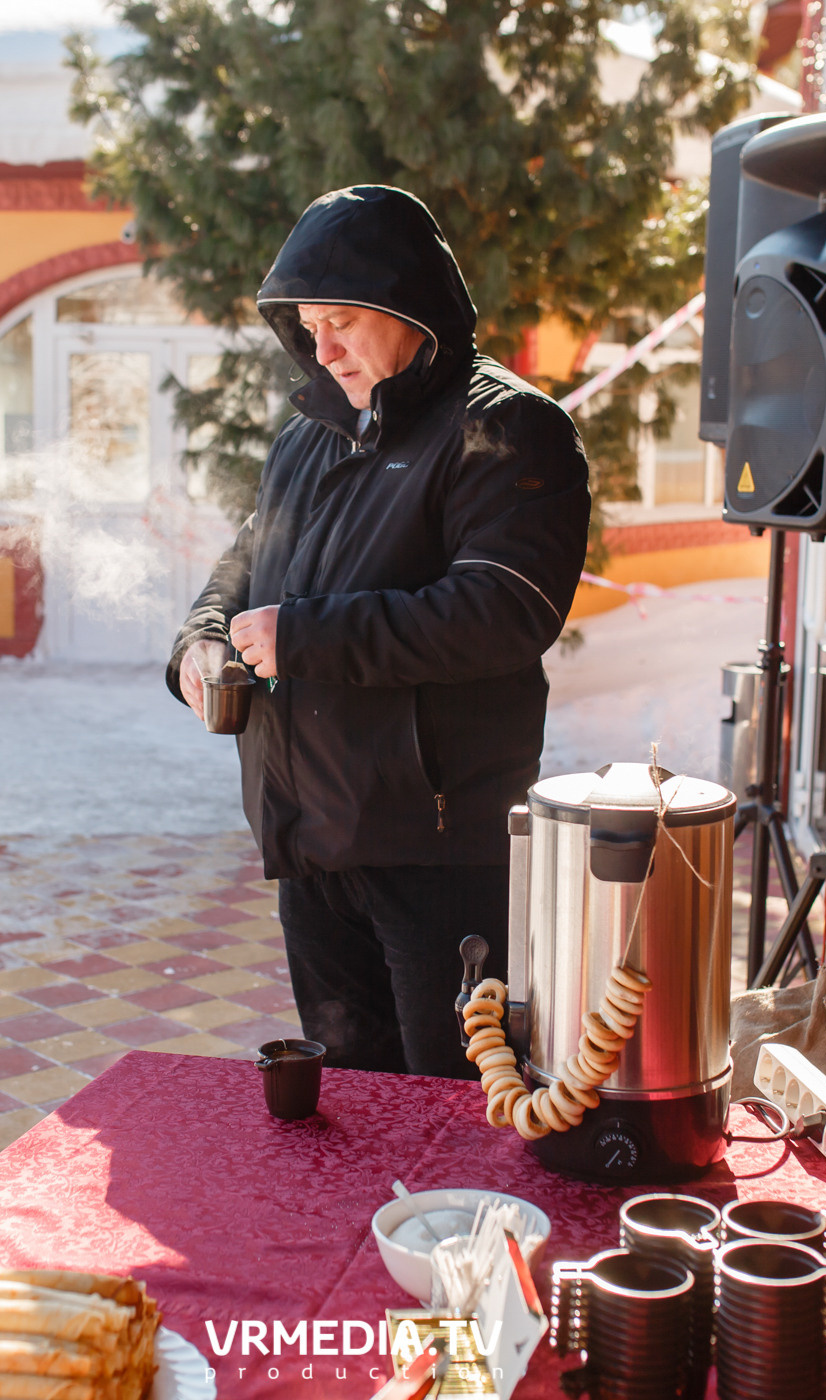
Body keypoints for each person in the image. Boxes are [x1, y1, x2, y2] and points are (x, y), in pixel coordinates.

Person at [167, 185, 591, 1078]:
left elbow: (505, 611)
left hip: (436, 856)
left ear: (409, 311)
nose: (321, 347)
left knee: (453, 1107)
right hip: (311, 842)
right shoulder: (310, 435)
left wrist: (309, 638)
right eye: (309, 324)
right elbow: (248, 562)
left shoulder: (509, 428)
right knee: (353, 1107)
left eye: (344, 320)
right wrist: (201, 640)